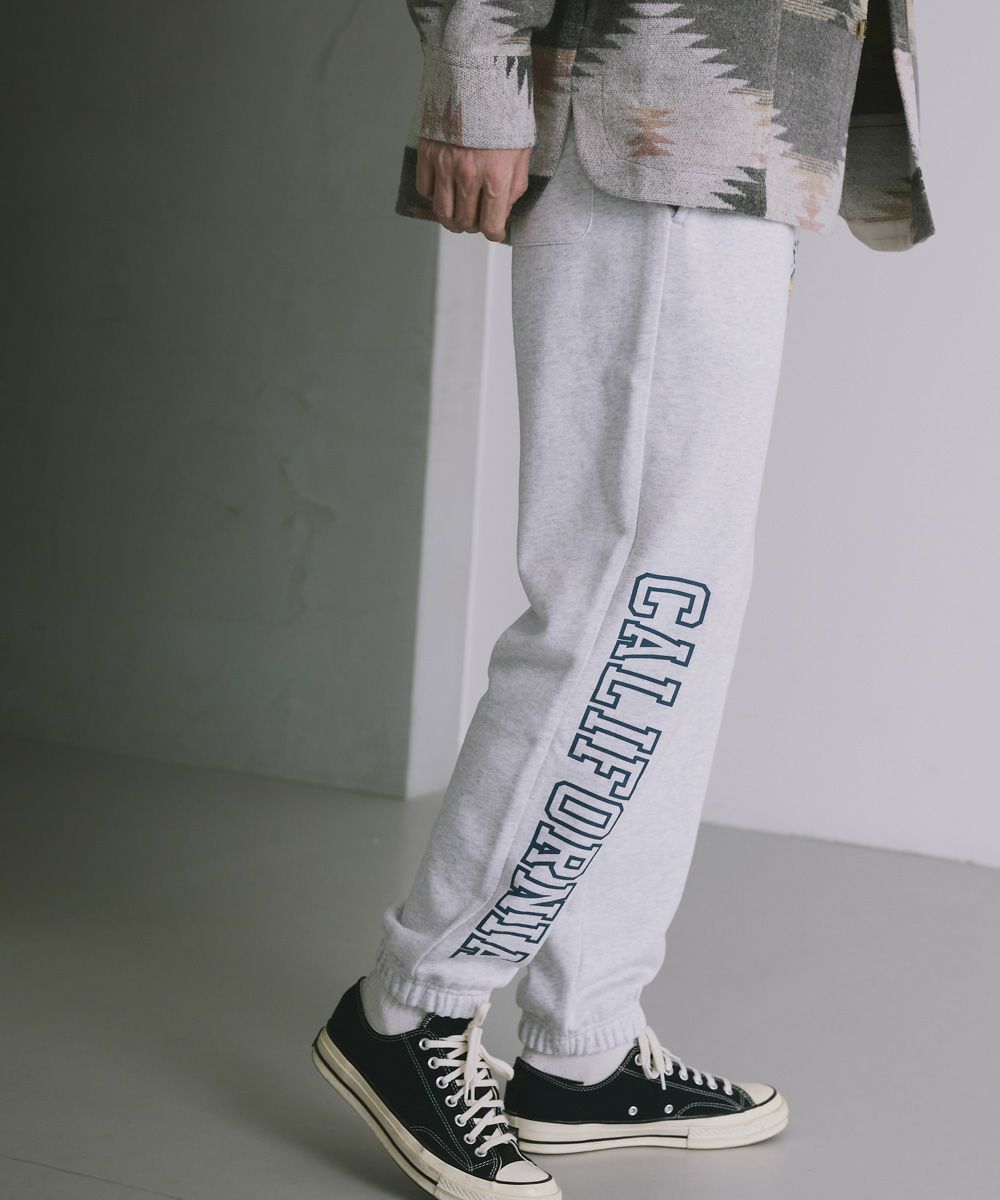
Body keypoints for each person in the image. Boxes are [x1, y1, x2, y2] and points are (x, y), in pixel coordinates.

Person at [312, 4, 934, 1198]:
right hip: (646, 113)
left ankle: (580, 1045)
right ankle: (414, 1005)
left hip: (749, 122)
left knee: (679, 613)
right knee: (625, 611)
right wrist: (474, 74)